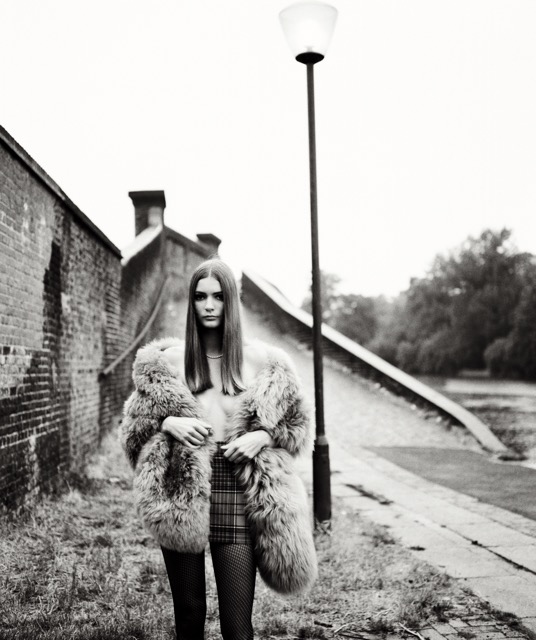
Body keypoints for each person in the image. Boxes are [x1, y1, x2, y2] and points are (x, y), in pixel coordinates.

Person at [121, 258, 317, 640]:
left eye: (218, 296)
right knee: (189, 615)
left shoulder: (263, 361)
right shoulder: (168, 363)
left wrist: (263, 437)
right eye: (200, 297)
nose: (209, 305)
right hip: (181, 489)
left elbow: (297, 425)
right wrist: (167, 422)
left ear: (232, 301)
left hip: (236, 487)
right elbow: (133, 432)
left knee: (237, 624)